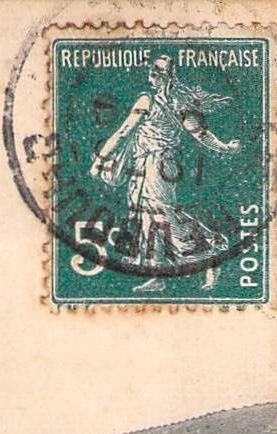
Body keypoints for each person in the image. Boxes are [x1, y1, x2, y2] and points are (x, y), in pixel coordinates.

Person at [90, 55, 242, 292]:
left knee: (162, 215)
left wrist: (100, 159)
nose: (152, 74)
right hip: (144, 164)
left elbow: (123, 132)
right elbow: (200, 134)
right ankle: (157, 274)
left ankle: (212, 251)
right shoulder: (166, 102)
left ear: (168, 76)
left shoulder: (155, 101)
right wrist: (225, 147)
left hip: (158, 165)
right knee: (148, 218)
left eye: (158, 71)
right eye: (152, 70)